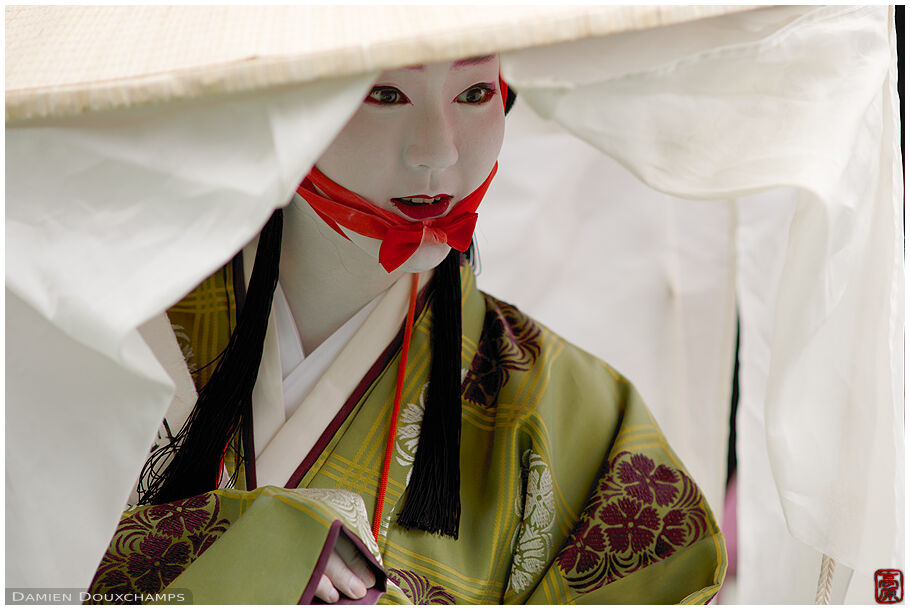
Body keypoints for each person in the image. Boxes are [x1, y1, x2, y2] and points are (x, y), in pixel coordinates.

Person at [87, 55, 725, 604]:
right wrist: (241, 559)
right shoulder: (97, 327)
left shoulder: (577, 418)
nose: (437, 150)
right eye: (385, 93)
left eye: (474, 93)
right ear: (285, 100)